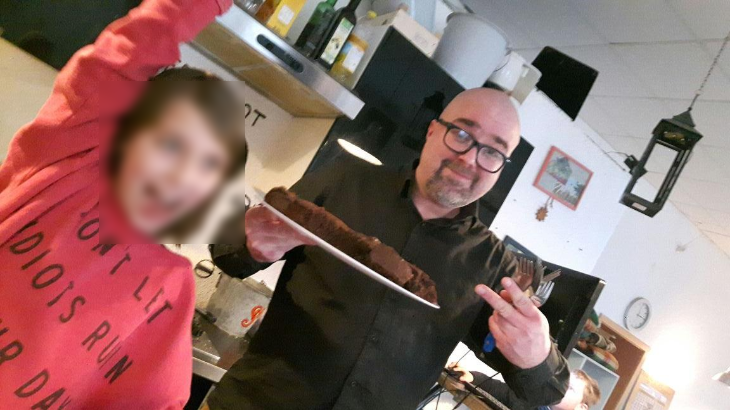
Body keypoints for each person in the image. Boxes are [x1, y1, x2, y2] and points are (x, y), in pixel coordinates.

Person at [208, 88, 570, 410]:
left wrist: (537, 356)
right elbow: (226, 252)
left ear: (501, 168)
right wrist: (251, 243)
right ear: (432, 131)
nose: (470, 158)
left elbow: (544, 393)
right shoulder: (344, 179)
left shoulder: (495, 267)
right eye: (461, 134)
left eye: (492, 151)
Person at [0, 0, 245, 408]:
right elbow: (128, 51)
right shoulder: (68, 162)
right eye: (171, 144)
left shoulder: (173, 287)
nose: (182, 175)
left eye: (207, 166)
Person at [449, 364, 601, 410]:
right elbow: (497, 389)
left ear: (581, 408)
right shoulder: (532, 400)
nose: (562, 388)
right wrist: (472, 377)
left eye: (571, 388)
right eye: (563, 383)